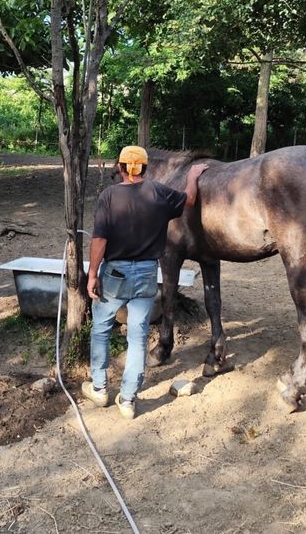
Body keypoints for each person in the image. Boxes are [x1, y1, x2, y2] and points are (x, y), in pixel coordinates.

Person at [82, 146, 207, 419]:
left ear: (121, 168)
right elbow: (188, 200)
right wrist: (193, 175)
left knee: (101, 328)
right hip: (148, 273)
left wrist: (92, 274)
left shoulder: (109, 196)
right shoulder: (159, 193)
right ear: (146, 168)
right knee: (138, 338)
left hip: (115, 274)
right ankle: (127, 400)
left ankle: (100, 388)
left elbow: (100, 240)